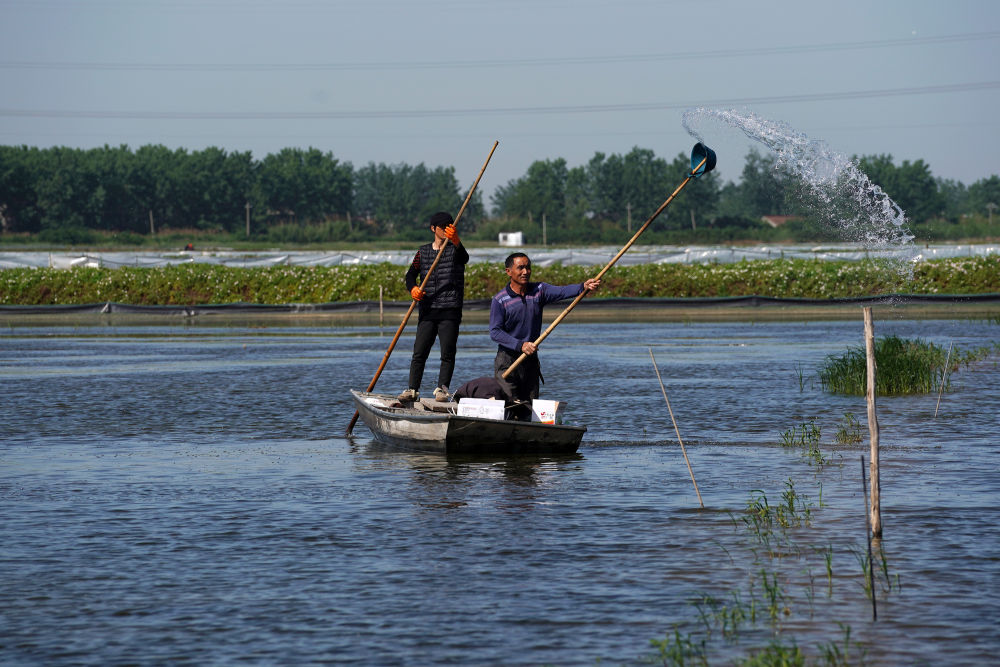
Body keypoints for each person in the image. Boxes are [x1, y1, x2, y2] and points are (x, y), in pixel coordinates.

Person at [489, 252, 600, 411]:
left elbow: (562, 292)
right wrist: (520, 345)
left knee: (529, 407)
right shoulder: (500, 300)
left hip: (530, 359)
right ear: (508, 271)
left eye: (528, 267)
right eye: (520, 268)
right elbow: (495, 332)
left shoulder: (539, 290)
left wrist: (583, 286)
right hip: (508, 361)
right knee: (509, 405)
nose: (525, 272)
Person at [398, 211, 470, 403]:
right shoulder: (422, 252)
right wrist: (413, 288)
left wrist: (456, 240)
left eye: (450, 226)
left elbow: (465, 258)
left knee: (447, 353)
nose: (447, 230)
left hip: (450, 308)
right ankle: (413, 389)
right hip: (428, 309)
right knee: (419, 352)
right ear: (433, 229)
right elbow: (410, 275)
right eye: (443, 227)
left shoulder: (455, 249)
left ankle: (442, 389)